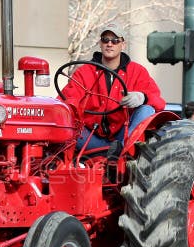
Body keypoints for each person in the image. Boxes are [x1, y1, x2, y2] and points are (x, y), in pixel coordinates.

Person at [60, 23, 165, 152]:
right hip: (89, 138)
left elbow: (159, 102)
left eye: (115, 41)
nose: (110, 44)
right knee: (63, 123)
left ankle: (121, 150)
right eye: (105, 40)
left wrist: (142, 97)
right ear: (100, 43)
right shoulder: (84, 72)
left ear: (123, 45)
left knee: (147, 109)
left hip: (123, 137)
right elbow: (67, 100)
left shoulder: (137, 72)